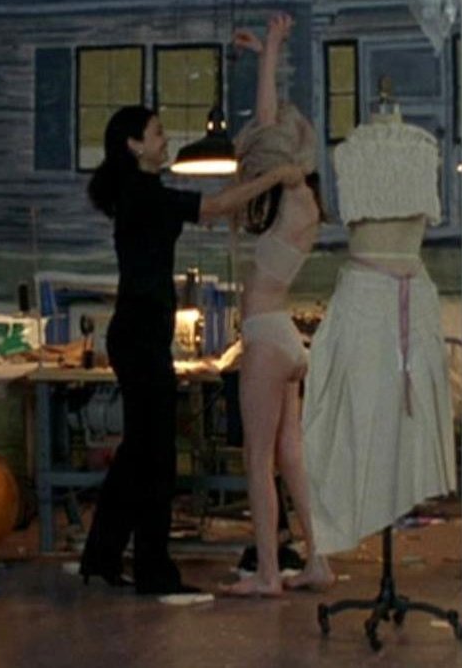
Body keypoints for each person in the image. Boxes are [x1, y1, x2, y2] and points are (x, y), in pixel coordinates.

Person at [80, 105, 303, 595]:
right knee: (156, 458)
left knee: (138, 453)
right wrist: (276, 177)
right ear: (134, 145)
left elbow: (212, 209)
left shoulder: (146, 191)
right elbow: (216, 207)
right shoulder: (142, 194)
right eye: (157, 133)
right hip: (139, 337)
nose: (165, 140)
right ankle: (153, 571)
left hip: (141, 334)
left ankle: (101, 555)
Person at [301, 98, 457, 555]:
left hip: (396, 293)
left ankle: (390, 499)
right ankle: (356, 511)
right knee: (355, 411)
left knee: (402, 416)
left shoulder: (419, 148)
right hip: (371, 294)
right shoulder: (353, 151)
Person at [219, 12, 334, 597]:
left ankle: (268, 571)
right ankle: (317, 560)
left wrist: (273, 47)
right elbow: (271, 129)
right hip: (283, 335)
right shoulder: (303, 205)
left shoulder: (292, 192)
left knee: (258, 459)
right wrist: (268, 53)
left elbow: (273, 141)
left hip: (268, 337)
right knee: (291, 456)